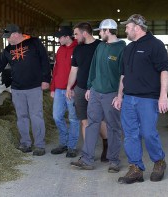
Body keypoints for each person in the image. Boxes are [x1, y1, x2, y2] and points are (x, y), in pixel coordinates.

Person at [0, 24, 51, 156]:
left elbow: (44, 60)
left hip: (34, 87)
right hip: (16, 88)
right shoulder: (7, 50)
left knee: (36, 115)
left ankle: (39, 145)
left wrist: (46, 79)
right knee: (21, 116)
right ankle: (25, 143)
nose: (7, 40)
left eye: (8, 36)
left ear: (16, 34)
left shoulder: (34, 43)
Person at [113, 14, 168, 184]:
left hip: (148, 99)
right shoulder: (128, 48)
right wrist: (119, 95)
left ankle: (159, 161)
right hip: (129, 98)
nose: (125, 30)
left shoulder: (156, 45)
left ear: (137, 27)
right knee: (130, 134)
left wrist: (163, 96)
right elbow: (123, 75)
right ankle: (136, 168)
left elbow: (164, 71)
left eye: (127, 27)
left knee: (148, 132)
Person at [70, 19, 125, 171]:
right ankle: (87, 158)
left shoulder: (121, 48)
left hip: (111, 94)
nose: (99, 33)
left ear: (107, 31)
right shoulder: (100, 46)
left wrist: (120, 95)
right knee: (92, 124)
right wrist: (89, 87)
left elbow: (123, 74)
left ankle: (114, 160)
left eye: (101, 31)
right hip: (95, 92)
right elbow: (93, 68)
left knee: (113, 126)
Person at [66, 22, 109, 162]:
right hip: (80, 89)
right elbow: (74, 70)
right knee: (84, 120)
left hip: (97, 90)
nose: (75, 37)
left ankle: (106, 145)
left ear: (85, 33)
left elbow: (105, 70)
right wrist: (69, 87)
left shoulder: (100, 47)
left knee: (99, 120)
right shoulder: (77, 49)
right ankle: (87, 152)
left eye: (76, 34)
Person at [50, 26, 80, 158]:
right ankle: (63, 142)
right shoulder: (60, 50)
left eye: (60, 37)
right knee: (57, 116)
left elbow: (80, 71)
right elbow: (55, 70)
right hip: (58, 89)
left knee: (73, 118)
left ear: (67, 37)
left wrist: (75, 88)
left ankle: (72, 146)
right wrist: (52, 88)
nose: (58, 39)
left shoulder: (78, 49)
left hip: (72, 90)